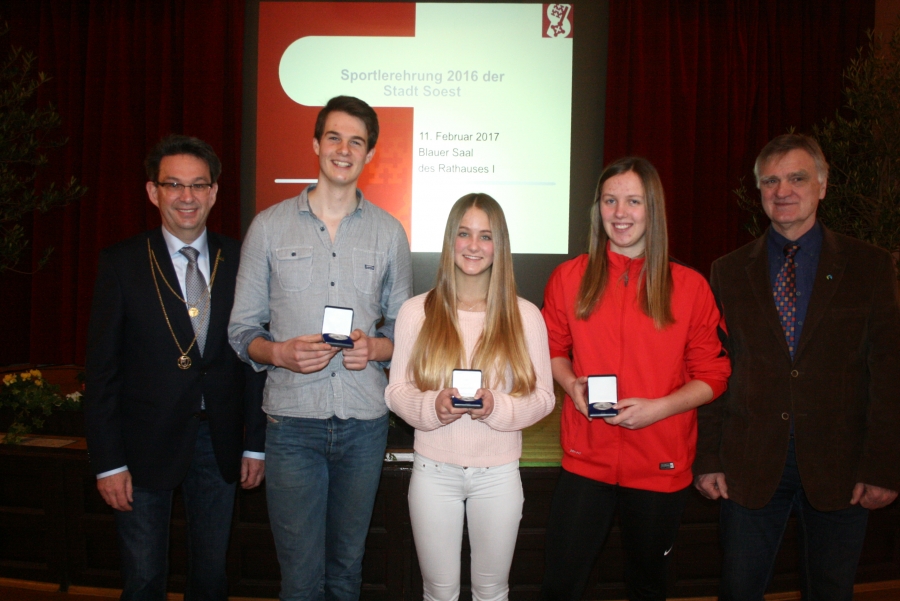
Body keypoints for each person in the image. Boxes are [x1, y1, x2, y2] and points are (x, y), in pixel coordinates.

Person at [693, 133, 900, 600]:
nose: (782, 190)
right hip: (748, 464)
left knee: (830, 590)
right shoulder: (728, 271)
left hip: (841, 465)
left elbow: (889, 374)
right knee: (738, 589)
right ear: (759, 191)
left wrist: (884, 466)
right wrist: (707, 459)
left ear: (822, 185)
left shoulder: (870, 267)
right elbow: (713, 370)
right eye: (770, 181)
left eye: (797, 178)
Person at [228, 95, 413, 601]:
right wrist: (278, 353)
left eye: (356, 141)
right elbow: (241, 329)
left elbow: (407, 332)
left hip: (363, 425)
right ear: (315, 144)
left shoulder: (389, 233)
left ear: (369, 154)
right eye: (334, 137)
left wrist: (375, 349)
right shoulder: (268, 227)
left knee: (347, 571)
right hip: (292, 425)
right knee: (301, 579)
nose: (343, 150)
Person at [84, 135, 267, 600]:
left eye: (198, 185)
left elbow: (253, 359)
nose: (187, 196)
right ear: (153, 191)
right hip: (142, 445)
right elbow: (102, 372)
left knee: (211, 577)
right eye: (174, 184)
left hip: (219, 442)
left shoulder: (240, 259)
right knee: (144, 578)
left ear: (214, 192)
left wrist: (256, 445)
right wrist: (108, 464)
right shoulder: (121, 263)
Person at [539, 157, 731, 600]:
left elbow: (715, 373)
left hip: (660, 464)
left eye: (633, 201)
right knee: (561, 583)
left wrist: (658, 409)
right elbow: (551, 349)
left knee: (648, 586)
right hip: (585, 458)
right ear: (598, 209)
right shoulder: (569, 278)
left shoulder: (690, 286)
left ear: (653, 209)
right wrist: (570, 385)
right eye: (610, 201)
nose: (620, 212)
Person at [386, 193, 555, 601]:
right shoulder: (415, 312)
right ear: (450, 240)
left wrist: (497, 407)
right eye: (464, 234)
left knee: (492, 591)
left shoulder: (526, 316)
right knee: (438, 592)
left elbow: (544, 398)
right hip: (433, 472)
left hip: (498, 475)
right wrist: (432, 407)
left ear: (500, 246)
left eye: (486, 236)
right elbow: (396, 392)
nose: (473, 245)